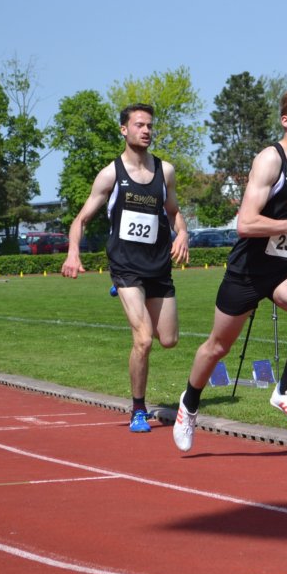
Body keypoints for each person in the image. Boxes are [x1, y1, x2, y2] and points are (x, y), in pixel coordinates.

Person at [172, 84, 287, 452]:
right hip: (250, 269)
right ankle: (189, 403)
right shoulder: (270, 160)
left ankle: (285, 391)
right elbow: (245, 224)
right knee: (217, 347)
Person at [62, 103, 189, 433]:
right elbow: (81, 219)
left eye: (150, 125)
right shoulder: (111, 174)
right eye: (139, 125)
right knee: (143, 340)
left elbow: (174, 211)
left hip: (158, 265)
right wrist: (73, 253)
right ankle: (138, 410)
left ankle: (128, 291)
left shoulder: (165, 171)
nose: (146, 130)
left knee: (169, 339)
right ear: (124, 130)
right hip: (126, 265)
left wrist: (183, 234)